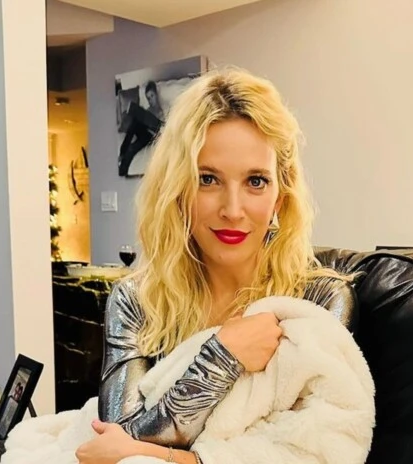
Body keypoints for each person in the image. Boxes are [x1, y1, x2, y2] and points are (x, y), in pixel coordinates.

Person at [76, 68, 357, 464]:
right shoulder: (137, 300)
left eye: (256, 181)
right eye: (208, 179)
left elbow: (304, 453)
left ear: (280, 198)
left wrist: (176, 458)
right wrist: (224, 354)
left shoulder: (318, 300)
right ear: (178, 189)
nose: (233, 210)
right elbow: (119, 439)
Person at [118, 80, 165, 177]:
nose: (150, 100)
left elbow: (162, 129)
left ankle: (122, 159)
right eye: (148, 98)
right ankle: (122, 160)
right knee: (134, 123)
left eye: (152, 96)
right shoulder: (148, 110)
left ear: (156, 95)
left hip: (151, 135)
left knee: (131, 148)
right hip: (144, 132)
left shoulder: (162, 112)